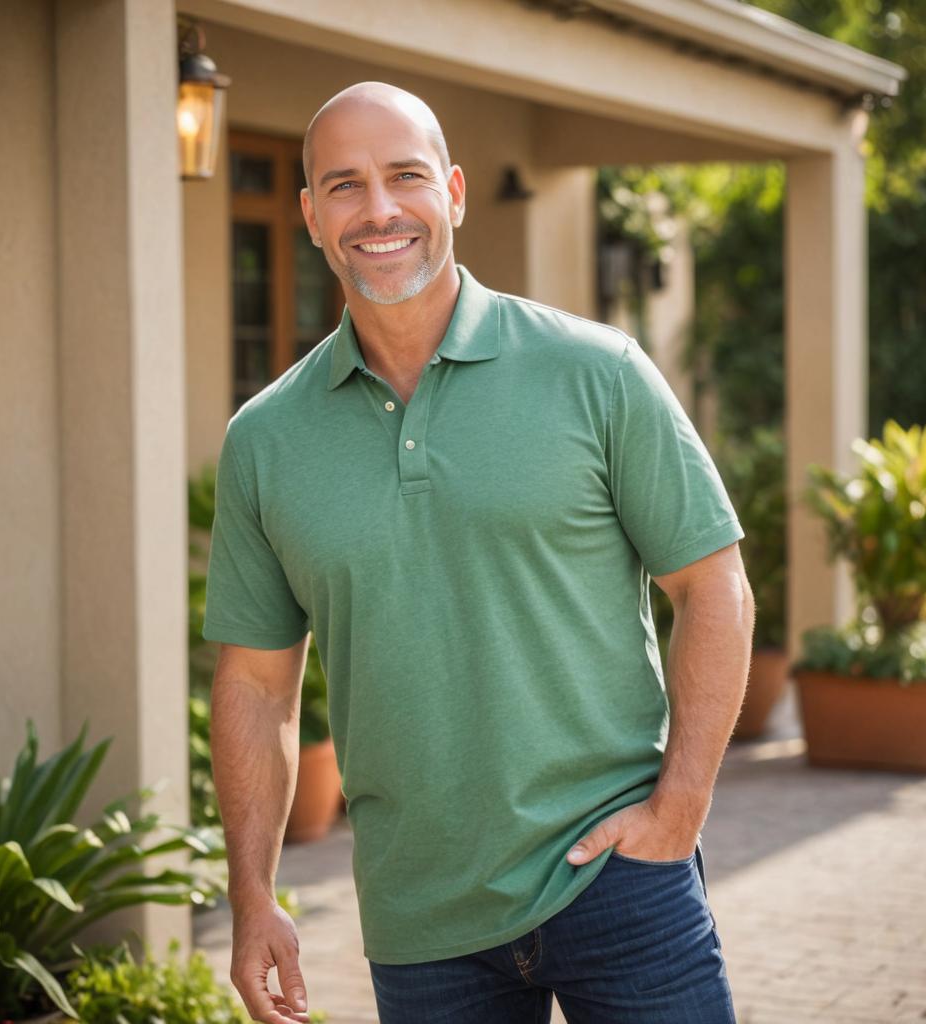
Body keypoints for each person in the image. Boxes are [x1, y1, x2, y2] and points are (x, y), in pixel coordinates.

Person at [204, 81, 755, 1024]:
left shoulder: (596, 372)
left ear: (453, 193)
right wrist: (253, 897)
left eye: (405, 177)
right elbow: (257, 687)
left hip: (616, 885)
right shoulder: (266, 440)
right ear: (308, 215)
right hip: (422, 924)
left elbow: (714, 588)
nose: (378, 210)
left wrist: (678, 814)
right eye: (344, 185)